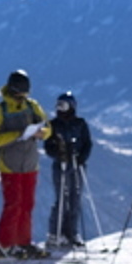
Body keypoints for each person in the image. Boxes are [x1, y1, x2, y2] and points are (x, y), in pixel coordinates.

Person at [0, 71, 49, 256]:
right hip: (9, 164)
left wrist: (42, 133)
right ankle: (5, 245)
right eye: (19, 94)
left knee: (27, 204)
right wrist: (19, 134)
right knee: (13, 204)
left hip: (30, 163)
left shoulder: (33, 106)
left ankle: (23, 242)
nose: (22, 97)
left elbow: (48, 128)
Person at [43, 92, 93, 249]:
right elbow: (48, 146)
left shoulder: (80, 123)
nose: (60, 109)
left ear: (72, 106)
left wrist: (81, 158)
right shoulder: (53, 124)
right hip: (61, 165)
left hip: (77, 165)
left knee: (75, 199)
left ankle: (72, 232)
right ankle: (55, 233)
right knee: (62, 198)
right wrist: (59, 154)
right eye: (58, 105)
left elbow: (87, 143)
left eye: (63, 105)